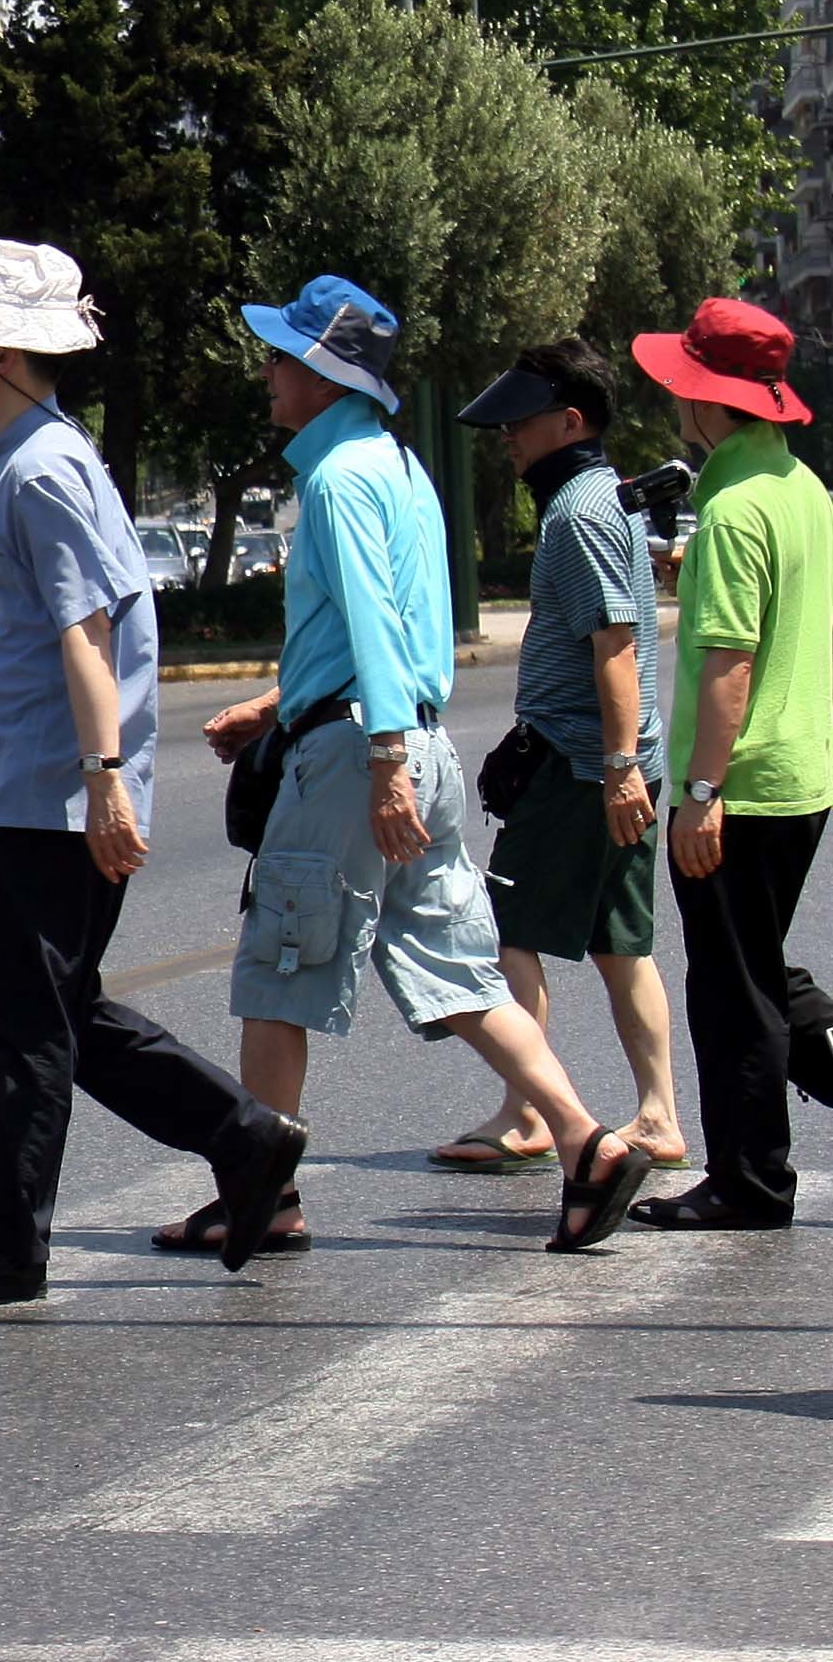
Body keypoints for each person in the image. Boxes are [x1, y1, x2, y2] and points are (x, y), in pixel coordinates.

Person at [183, 276, 648, 1258]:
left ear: (322, 372)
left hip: (363, 753)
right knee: (461, 974)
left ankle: (265, 1197)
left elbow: (372, 622)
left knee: (277, 975)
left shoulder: (339, 477)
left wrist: (380, 755)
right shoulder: (396, 466)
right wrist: (292, 709)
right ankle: (587, 1142)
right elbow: (402, 628)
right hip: (409, 741)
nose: (266, 372)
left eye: (279, 356)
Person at [0, 244, 300, 1306]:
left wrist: (104, 777)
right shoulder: (31, 455)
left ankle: (11, 1240)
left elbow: (88, 630)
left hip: (56, 799)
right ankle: (244, 1137)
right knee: (51, 1011)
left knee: (30, 1021)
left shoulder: (45, 467)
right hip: (32, 785)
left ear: (5, 352)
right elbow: (30, 637)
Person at [435, 341, 682, 1173]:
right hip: (614, 763)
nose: (508, 436)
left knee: (511, 929)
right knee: (623, 944)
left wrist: (614, 769)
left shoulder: (578, 512)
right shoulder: (600, 500)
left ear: (570, 422)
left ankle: (529, 1112)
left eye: (522, 422)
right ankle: (659, 1117)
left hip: (581, 767)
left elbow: (611, 643)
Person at [625, 299, 833, 1231]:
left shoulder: (735, 505)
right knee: (756, 961)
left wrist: (701, 791)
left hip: (739, 781)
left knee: (730, 985)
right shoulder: (801, 489)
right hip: (801, 772)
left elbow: (729, 661)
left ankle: (750, 1182)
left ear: (704, 401)